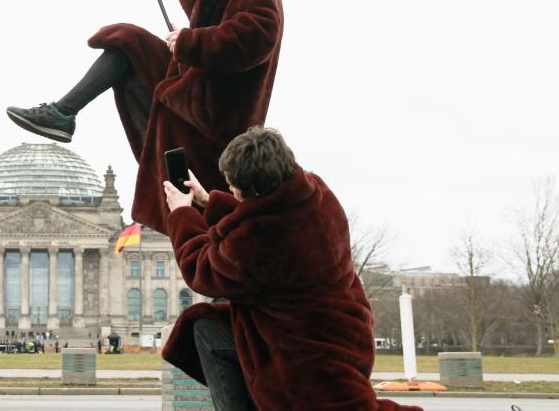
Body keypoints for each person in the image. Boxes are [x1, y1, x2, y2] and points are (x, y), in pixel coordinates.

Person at [7, 0, 283, 234]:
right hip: (196, 89)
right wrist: (188, 40)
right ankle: (62, 114)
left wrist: (190, 42)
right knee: (126, 41)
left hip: (214, 109)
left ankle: (62, 114)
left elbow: (258, 34)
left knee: (129, 44)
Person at [160, 127, 421, 411]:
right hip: (346, 327)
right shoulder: (315, 192)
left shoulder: (259, 240)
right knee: (205, 322)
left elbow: (201, 269)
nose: (231, 191)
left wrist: (182, 214)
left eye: (233, 186)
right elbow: (262, 214)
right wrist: (208, 200)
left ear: (255, 191)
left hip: (302, 351)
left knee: (204, 328)